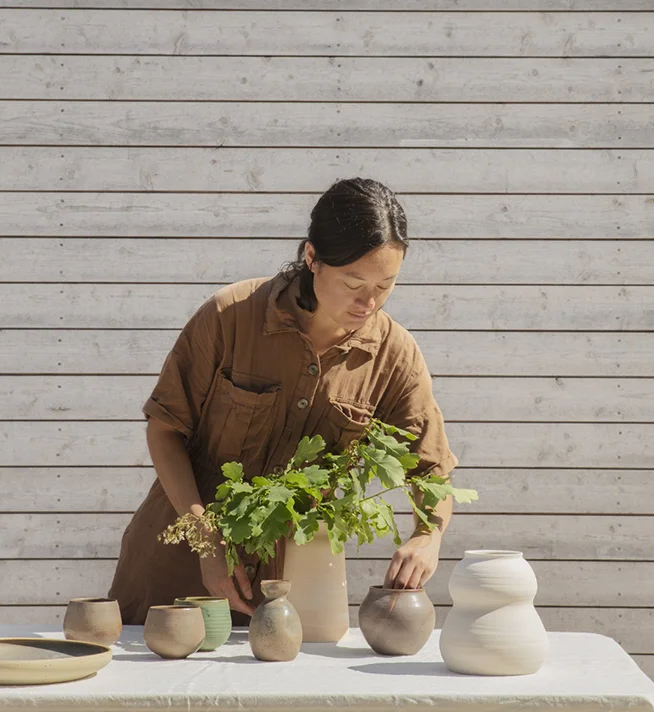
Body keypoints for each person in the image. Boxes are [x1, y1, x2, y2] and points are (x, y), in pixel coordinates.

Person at [108, 177, 459, 625]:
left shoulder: (394, 356)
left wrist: (429, 537)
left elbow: (431, 469)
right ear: (312, 257)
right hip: (177, 571)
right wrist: (208, 541)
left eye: (385, 285)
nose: (368, 301)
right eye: (353, 282)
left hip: (292, 595)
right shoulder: (230, 316)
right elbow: (165, 429)